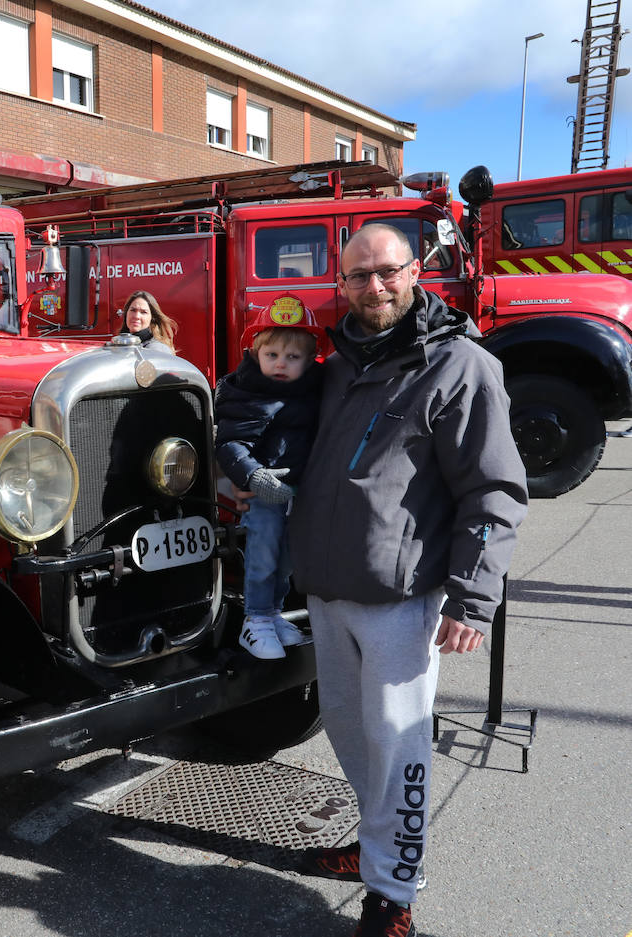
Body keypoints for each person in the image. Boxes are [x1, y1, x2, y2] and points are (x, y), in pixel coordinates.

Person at [283, 224, 527, 937]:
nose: (373, 287)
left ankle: (393, 894)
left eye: (386, 271)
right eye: (357, 276)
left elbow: (494, 490)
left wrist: (474, 598)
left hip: (401, 600)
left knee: (399, 745)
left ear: (415, 270)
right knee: (349, 730)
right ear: (342, 283)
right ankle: (376, 843)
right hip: (327, 589)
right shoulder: (335, 365)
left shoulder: (460, 366)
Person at [214, 298, 323, 659]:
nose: (280, 363)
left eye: (292, 357)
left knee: (287, 560)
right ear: (255, 353)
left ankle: (273, 614)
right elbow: (230, 444)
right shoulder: (247, 393)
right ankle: (255, 618)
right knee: (263, 553)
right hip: (262, 492)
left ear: (310, 361)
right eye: (272, 354)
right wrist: (254, 476)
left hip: (297, 492)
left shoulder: (313, 391)